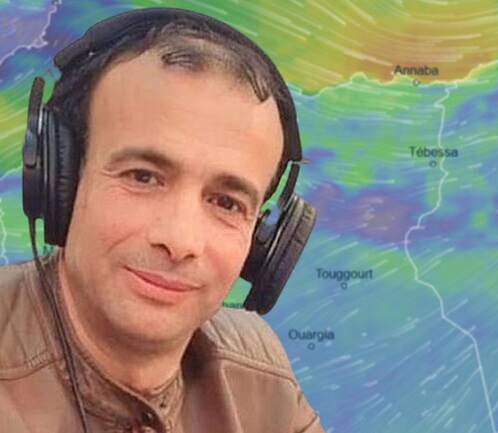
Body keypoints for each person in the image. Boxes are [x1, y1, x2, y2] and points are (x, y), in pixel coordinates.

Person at [0, 7, 323, 433]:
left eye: (226, 203)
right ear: (60, 180)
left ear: (264, 242)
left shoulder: (263, 375)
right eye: (142, 177)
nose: (180, 240)